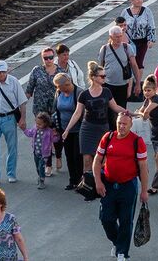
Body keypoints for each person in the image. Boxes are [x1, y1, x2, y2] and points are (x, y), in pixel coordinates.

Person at [93, 111, 149, 261]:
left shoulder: (137, 141)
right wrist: (98, 181)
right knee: (106, 218)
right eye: (119, 123)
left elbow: (143, 167)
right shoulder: (108, 137)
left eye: (125, 124)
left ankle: (123, 252)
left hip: (128, 186)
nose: (122, 126)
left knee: (126, 220)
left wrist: (144, 190)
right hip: (109, 185)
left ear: (131, 125)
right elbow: (97, 161)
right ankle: (117, 242)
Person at [65, 61, 121, 191]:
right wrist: (67, 129)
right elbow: (77, 113)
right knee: (87, 160)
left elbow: (115, 107)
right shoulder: (84, 94)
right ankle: (87, 187)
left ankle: (101, 185)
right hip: (87, 129)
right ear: (94, 78)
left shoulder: (107, 91)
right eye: (102, 76)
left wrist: (129, 113)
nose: (104, 78)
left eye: (104, 76)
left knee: (102, 160)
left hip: (102, 129)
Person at [0, 60, 28, 186]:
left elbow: (22, 102)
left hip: (9, 118)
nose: (1, 75)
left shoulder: (14, 82)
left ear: (7, 71)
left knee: (12, 146)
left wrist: (22, 119)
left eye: (3, 72)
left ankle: (11, 173)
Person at [97, 25, 141, 108]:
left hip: (123, 85)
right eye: (116, 37)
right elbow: (100, 67)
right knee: (108, 110)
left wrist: (138, 83)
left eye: (120, 36)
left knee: (121, 109)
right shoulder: (105, 49)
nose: (119, 39)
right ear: (111, 37)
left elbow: (134, 66)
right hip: (107, 85)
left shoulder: (127, 47)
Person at [136, 76, 158, 183]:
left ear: (155, 90)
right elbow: (141, 111)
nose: (146, 92)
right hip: (155, 133)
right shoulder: (147, 100)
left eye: (149, 90)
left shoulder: (157, 99)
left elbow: (145, 114)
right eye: (145, 90)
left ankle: (156, 184)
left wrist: (140, 113)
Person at [50, 73, 80, 188]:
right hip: (63, 129)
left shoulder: (78, 93)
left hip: (78, 129)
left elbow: (80, 112)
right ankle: (72, 180)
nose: (57, 89)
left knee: (77, 156)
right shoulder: (59, 93)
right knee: (69, 155)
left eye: (59, 87)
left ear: (66, 85)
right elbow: (55, 109)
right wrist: (55, 127)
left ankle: (80, 180)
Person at [123, 0, 157, 70]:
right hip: (129, 41)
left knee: (139, 62)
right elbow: (120, 25)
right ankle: (131, 80)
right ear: (132, 0)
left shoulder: (147, 11)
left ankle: (137, 81)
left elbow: (151, 26)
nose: (140, 1)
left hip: (142, 41)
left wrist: (151, 40)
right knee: (129, 61)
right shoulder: (125, 12)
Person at [24, 112, 57, 189]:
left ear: (45, 123)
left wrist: (57, 135)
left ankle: (42, 180)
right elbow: (30, 133)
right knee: (37, 167)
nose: (37, 125)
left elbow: (54, 139)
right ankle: (40, 177)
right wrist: (24, 129)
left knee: (41, 166)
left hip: (44, 154)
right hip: (36, 152)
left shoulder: (49, 131)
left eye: (40, 124)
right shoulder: (35, 129)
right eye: (37, 123)